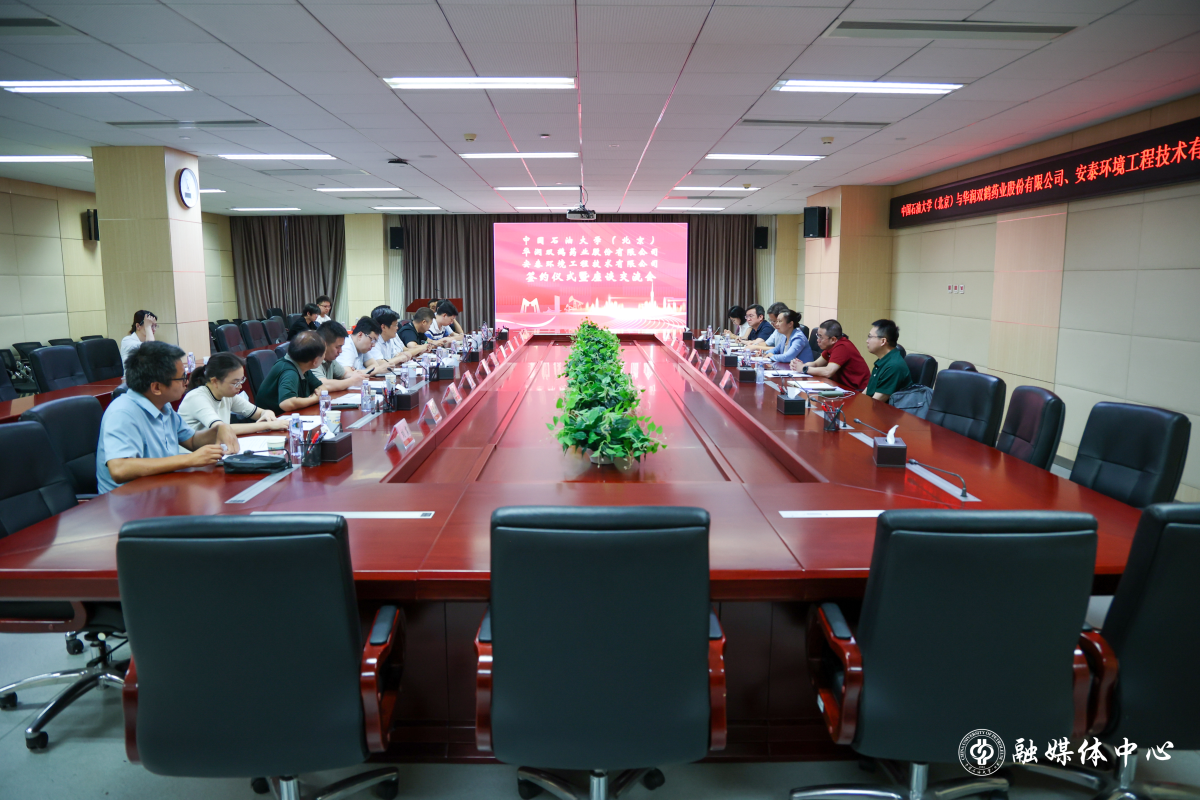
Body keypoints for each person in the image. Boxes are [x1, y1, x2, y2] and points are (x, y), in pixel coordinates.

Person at [96, 341, 238, 494]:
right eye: (181, 378)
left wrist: (218, 429)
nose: (186, 383)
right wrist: (189, 460)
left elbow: (191, 440)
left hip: (161, 489)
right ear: (156, 387)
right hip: (128, 501)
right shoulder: (122, 413)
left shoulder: (163, 405)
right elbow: (119, 469)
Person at [179, 352, 289, 434]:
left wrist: (267, 413)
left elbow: (259, 412)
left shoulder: (227, 395)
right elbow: (221, 428)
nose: (240, 386)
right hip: (194, 455)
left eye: (241, 380)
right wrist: (268, 425)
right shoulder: (197, 398)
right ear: (215, 381)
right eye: (235, 382)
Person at [254, 331, 326, 415]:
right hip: (271, 420)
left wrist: (318, 395)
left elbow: (322, 388)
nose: (324, 357)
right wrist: (314, 399)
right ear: (315, 361)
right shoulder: (289, 372)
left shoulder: (302, 366)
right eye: (324, 354)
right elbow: (286, 403)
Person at [792, 319, 870, 393]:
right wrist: (799, 365)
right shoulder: (831, 346)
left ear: (833, 339)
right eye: (817, 336)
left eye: (820, 337)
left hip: (858, 391)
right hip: (842, 387)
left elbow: (828, 372)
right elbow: (816, 364)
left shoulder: (842, 347)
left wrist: (804, 369)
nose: (817, 340)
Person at [313, 321, 370, 391]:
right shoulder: (313, 359)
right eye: (337, 347)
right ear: (324, 344)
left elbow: (344, 374)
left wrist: (357, 375)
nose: (340, 351)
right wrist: (352, 381)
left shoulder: (330, 359)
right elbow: (322, 385)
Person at [863, 318, 912, 402]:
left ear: (883, 341)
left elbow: (876, 402)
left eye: (870, 337)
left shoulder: (894, 366)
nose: (867, 341)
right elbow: (867, 392)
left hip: (884, 409)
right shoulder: (882, 361)